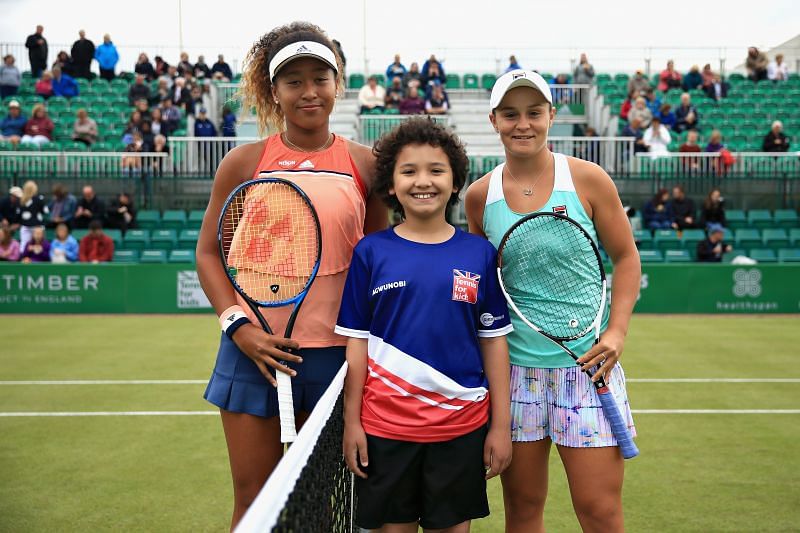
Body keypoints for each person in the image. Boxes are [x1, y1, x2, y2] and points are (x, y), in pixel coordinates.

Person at [195, 21, 387, 529]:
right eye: (294, 80)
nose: (309, 91)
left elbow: (376, 263)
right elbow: (210, 256)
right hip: (250, 356)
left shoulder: (366, 166)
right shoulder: (244, 162)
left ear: (337, 83)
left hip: (333, 359)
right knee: (255, 502)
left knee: (317, 504)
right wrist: (241, 329)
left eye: (320, 78)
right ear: (274, 91)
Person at [464, 69, 639, 533]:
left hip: (587, 369)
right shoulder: (479, 197)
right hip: (514, 376)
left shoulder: (588, 179)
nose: (523, 124)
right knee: (522, 512)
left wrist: (616, 332)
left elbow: (626, 258)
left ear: (552, 117)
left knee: (599, 512)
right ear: (494, 120)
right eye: (510, 114)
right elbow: (485, 288)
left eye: (534, 113)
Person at [338, 118, 513, 531]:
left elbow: (493, 343)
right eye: (409, 171)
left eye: (436, 170)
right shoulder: (370, 252)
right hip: (385, 429)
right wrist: (352, 423)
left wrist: (500, 427)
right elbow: (357, 345)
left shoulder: (478, 254)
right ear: (391, 184)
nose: (423, 181)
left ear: (455, 182)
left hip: (462, 427)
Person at [17, 180, 49, 251]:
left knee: (24, 244)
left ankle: (23, 258)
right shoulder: (39, 199)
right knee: (40, 244)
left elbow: (18, 215)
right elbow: (45, 211)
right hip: (37, 226)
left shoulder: (21, 200)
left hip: (25, 226)